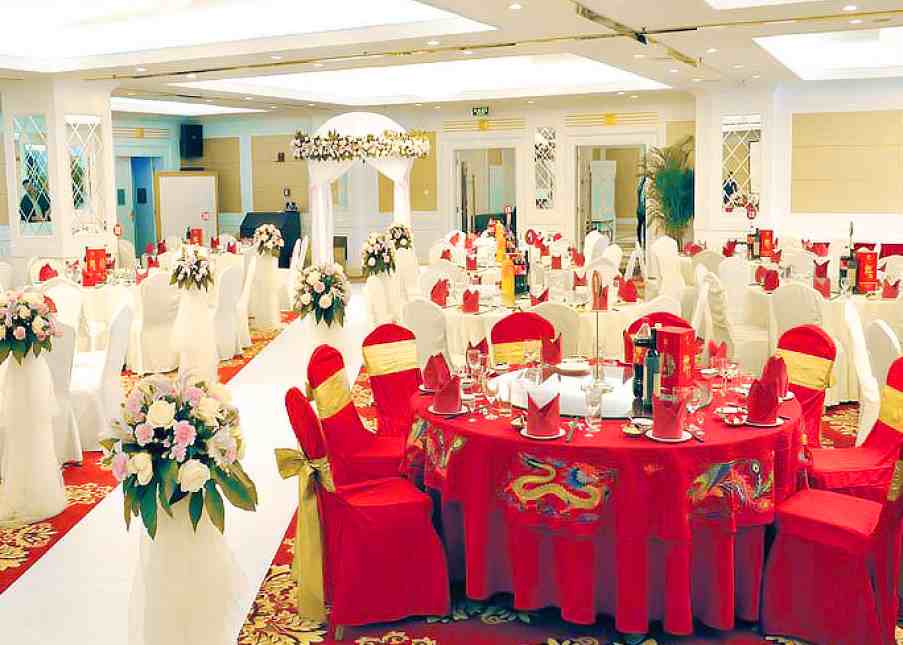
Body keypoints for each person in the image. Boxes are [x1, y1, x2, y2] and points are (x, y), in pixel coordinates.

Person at [636, 175, 647, 249]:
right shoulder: (641, 187)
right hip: (640, 209)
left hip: (643, 209)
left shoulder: (644, 187)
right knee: (640, 226)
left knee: (644, 226)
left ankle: (644, 243)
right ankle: (640, 242)